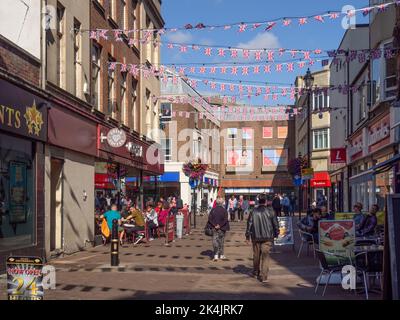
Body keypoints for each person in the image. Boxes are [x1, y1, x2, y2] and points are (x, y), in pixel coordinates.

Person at [245, 194, 279, 283]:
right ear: (266, 201)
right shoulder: (271, 211)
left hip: (256, 237)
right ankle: (264, 276)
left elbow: (249, 224)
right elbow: (275, 224)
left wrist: (247, 236)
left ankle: (256, 272)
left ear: (258, 201)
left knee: (256, 255)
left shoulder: (253, 211)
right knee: (265, 256)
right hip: (267, 237)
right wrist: (276, 234)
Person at [207, 197, 230, 261]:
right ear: (222, 202)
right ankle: (221, 255)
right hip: (222, 228)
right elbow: (225, 220)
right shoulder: (224, 210)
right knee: (221, 242)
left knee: (215, 241)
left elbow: (209, 219)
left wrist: (215, 225)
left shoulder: (213, 210)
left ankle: (216, 255)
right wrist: (220, 225)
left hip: (214, 228)